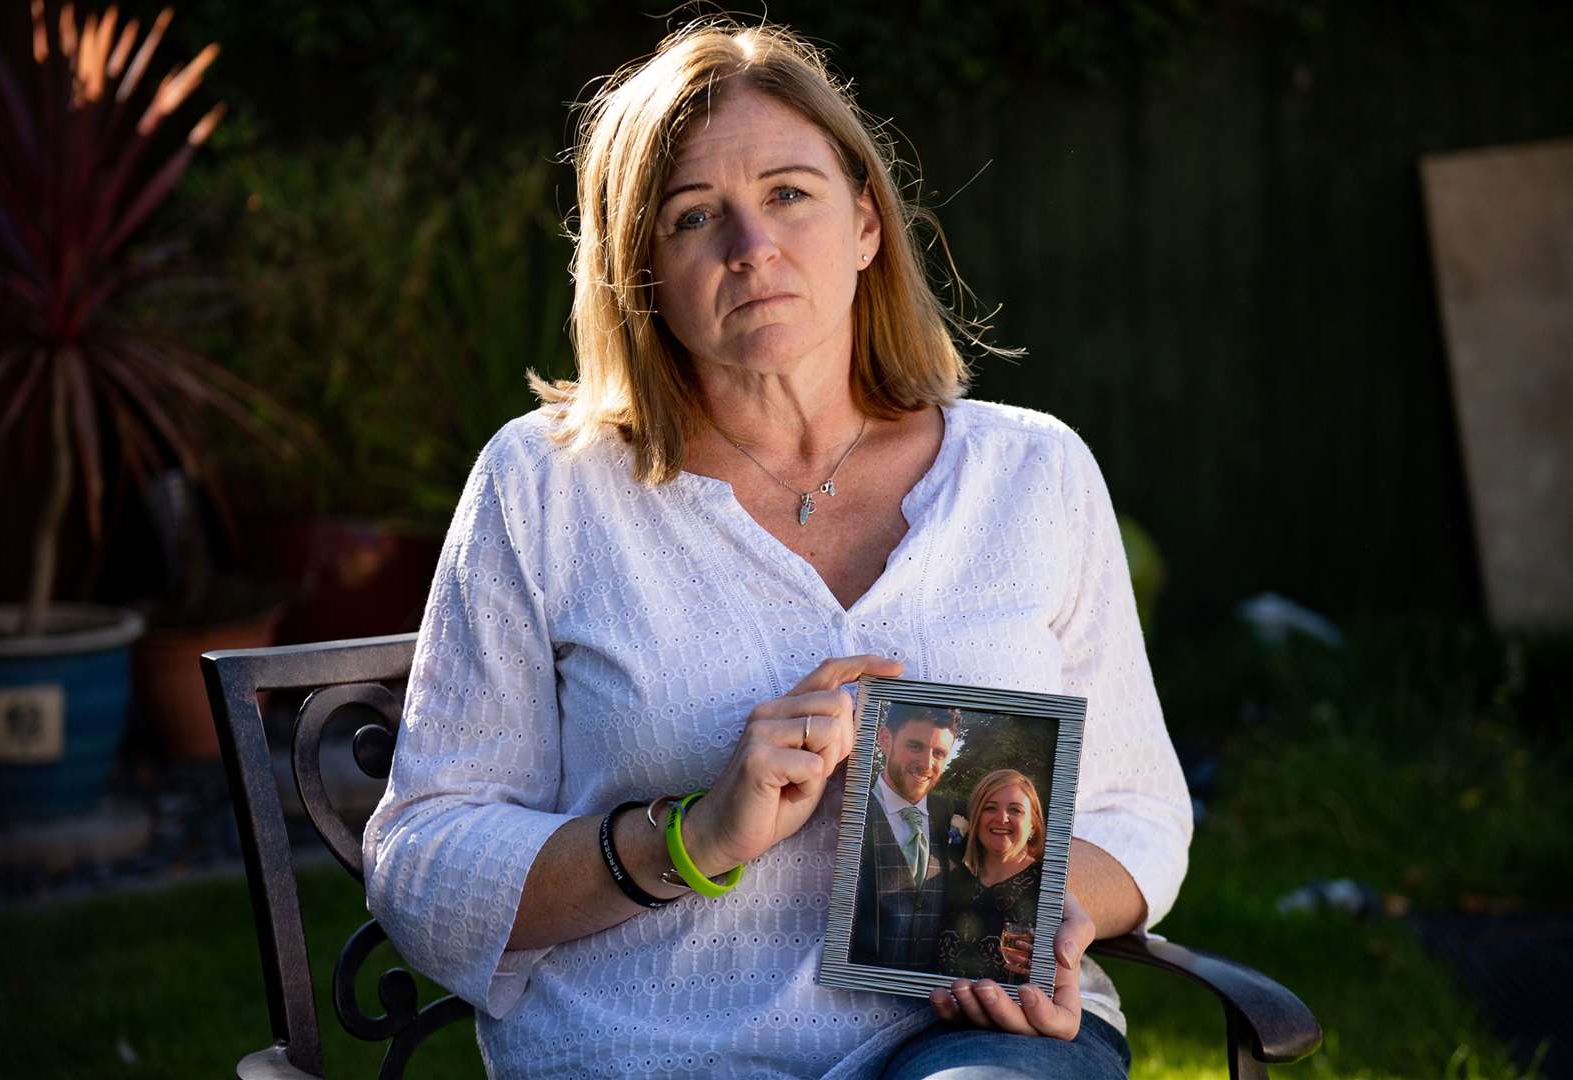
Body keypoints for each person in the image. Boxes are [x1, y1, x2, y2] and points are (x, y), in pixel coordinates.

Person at [362, 17, 1192, 1080]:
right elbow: (425, 858)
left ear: (865, 224)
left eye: (789, 194)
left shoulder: (1033, 474)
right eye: (694, 216)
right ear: (641, 272)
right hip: (654, 1053)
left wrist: (1051, 914)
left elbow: (1139, 808)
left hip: (977, 1036)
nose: (752, 248)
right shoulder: (549, 489)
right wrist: (691, 839)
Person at [849, 708, 963, 970]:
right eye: (915, 746)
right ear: (885, 740)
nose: (926, 763)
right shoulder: (849, 809)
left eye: (939, 753)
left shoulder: (948, 814)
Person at [934, 769, 1047, 983]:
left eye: (1015, 810)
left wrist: (1048, 964)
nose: (1002, 818)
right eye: (990, 808)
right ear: (976, 819)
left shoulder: (1047, 884)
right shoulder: (954, 877)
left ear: (1033, 824)